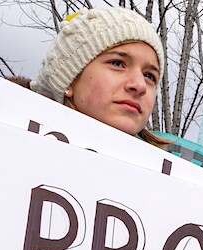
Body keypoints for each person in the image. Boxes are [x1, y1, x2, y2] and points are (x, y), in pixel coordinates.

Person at [31, 7, 169, 147]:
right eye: (117, 63)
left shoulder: (173, 167)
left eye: (149, 76)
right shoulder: (13, 146)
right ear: (69, 79)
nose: (140, 85)